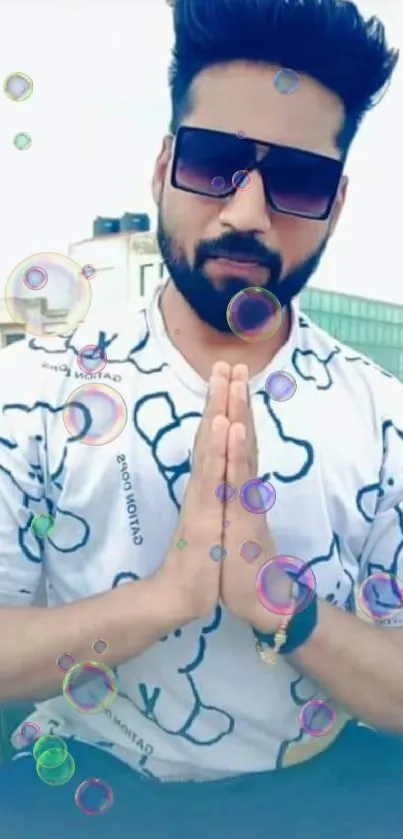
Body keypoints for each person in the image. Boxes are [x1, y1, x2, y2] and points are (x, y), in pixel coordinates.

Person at [0, 0, 402, 836]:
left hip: (318, 797)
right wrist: (166, 598)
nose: (247, 213)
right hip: (78, 786)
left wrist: (278, 601)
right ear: (160, 166)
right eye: (214, 163)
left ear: (336, 202)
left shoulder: (382, 414)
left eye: (296, 180)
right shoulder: (32, 389)